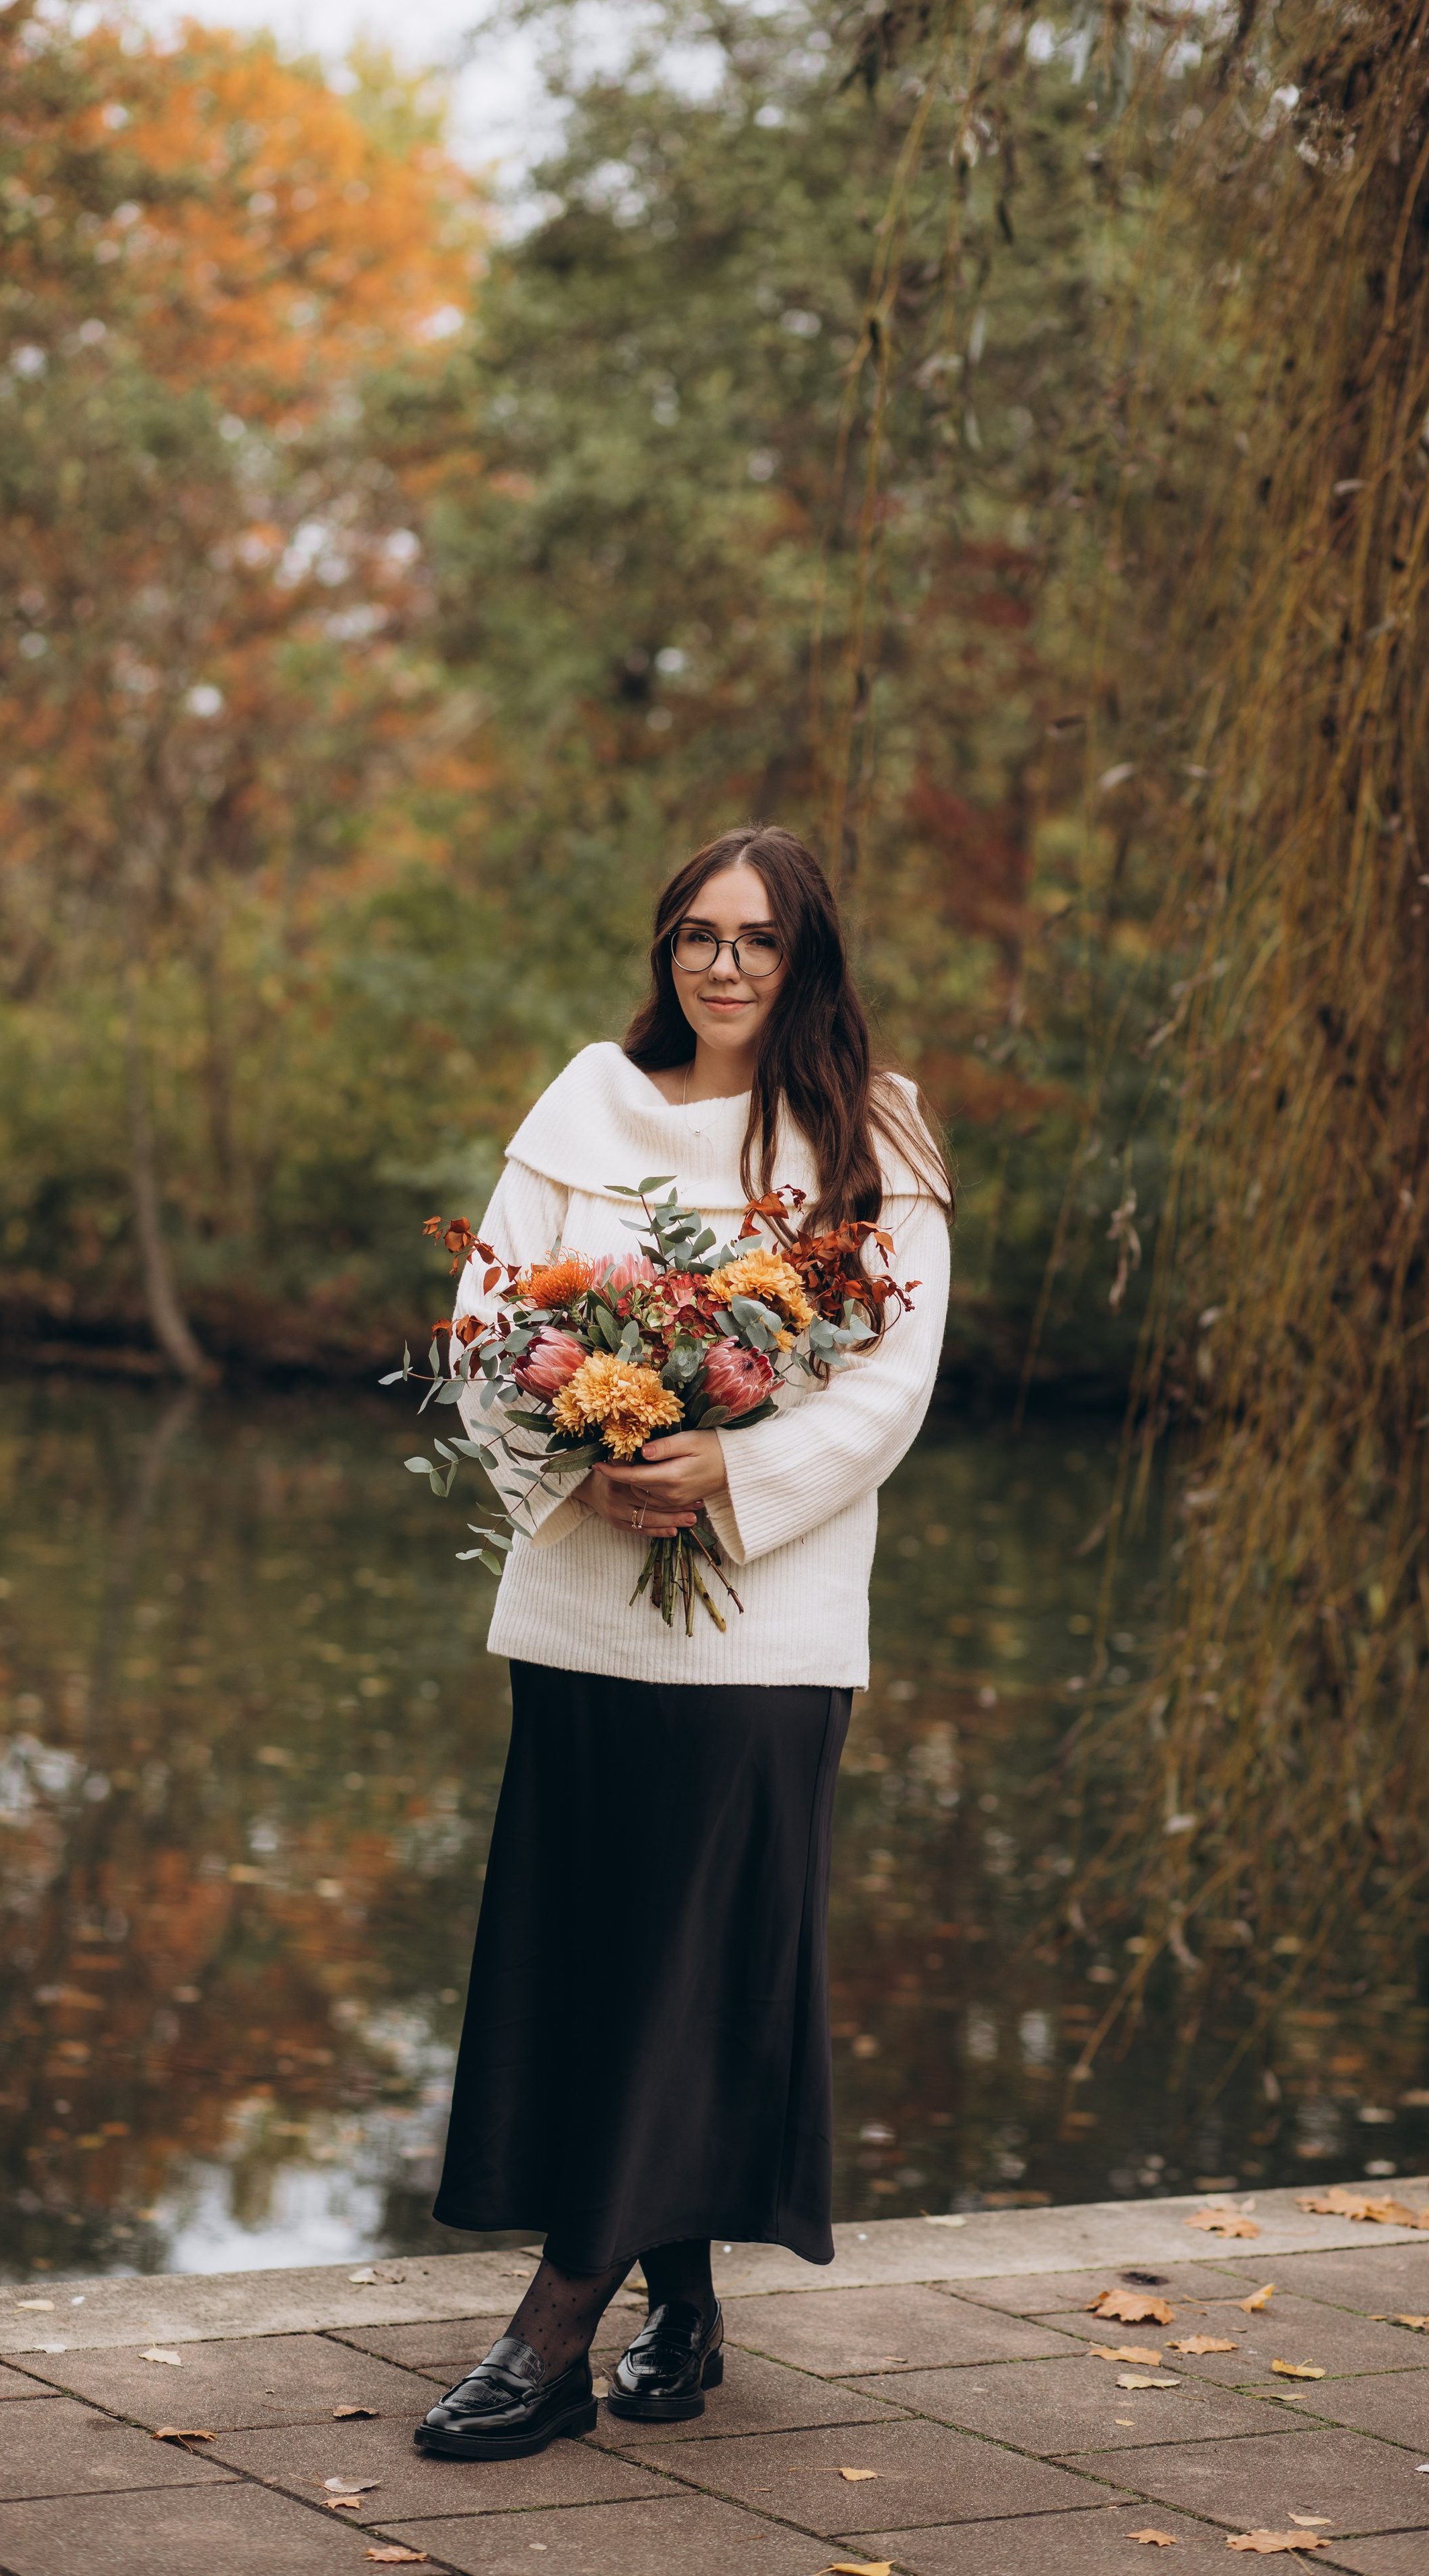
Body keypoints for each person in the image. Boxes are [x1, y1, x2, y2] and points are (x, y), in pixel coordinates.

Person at [414, 822, 951, 2461]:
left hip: (765, 1622)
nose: (722, 965)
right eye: (697, 936)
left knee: (693, 1950)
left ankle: (557, 2323)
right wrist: (587, 1452)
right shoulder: (586, 1103)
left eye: (758, 940)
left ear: (808, 961)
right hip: (585, 1598)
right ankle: (687, 2302)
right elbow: (489, 1325)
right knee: (598, 1951)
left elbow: (890, 1380)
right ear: (667, 950)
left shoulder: (869, 1135)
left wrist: (727, 1469)